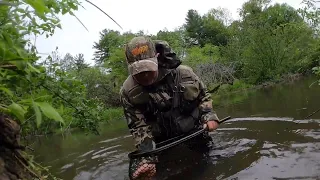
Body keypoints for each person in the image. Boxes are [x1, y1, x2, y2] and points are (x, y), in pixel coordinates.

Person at [119, 36, 220, 180]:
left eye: (148, 68)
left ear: (157, 58)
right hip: (161, 145)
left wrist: (209, 115)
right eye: (139, 72)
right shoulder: (128, 92)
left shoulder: (184, 73)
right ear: (129, 67)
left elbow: (203, 96)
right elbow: (138, 126)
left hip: (195, 133)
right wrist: (147, 154)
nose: (146, 76)